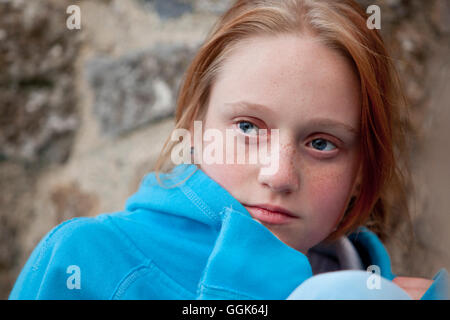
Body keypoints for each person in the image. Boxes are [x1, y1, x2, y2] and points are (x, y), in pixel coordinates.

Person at [9, 0, 449, 300]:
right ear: (194, 127)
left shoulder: (381, 288)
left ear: (360, 171)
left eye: (321, 143)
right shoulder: (89, 260)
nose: (278, 175)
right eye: (247, 127)